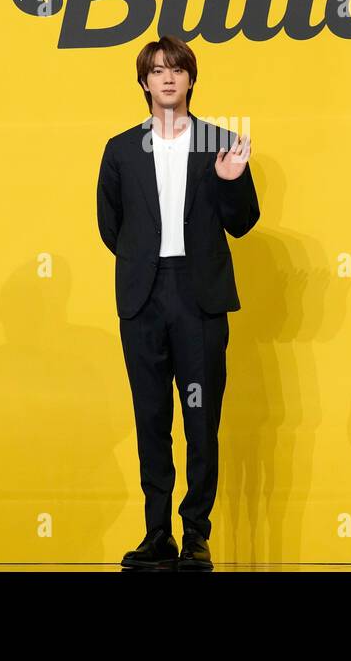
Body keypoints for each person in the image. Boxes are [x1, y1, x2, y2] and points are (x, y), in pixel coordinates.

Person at [95, 35, 259, 570]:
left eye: (177, 69)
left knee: (200, 418)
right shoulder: (120, 149)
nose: (168, 78)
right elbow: (111, 226)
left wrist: (231, 183)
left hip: (199, 295)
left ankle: (196, 537)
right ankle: (156, 534)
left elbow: (243, 221)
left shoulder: (221, 143)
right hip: (143, 297)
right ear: (144, 82)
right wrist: (145, 262)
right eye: (158, 71)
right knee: (151, 419)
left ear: (191, 79)